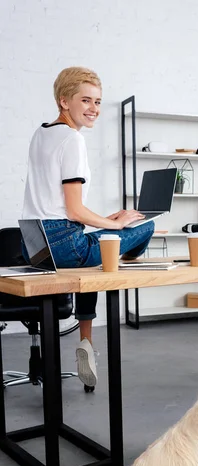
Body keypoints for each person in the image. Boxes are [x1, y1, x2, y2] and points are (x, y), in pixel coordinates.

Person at [22, 66, 155, 387]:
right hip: (66, 243)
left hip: (36, 245)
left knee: (98, 263)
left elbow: (60, 207)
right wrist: (118, 222)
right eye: (86, 100)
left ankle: (87, 341)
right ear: (63, 101)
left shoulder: (42, 133)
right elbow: (74, 209)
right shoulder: (72, 140)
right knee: (144, 227)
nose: (94, 108)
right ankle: (119, 264)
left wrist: (107, 222)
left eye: (98, 102)